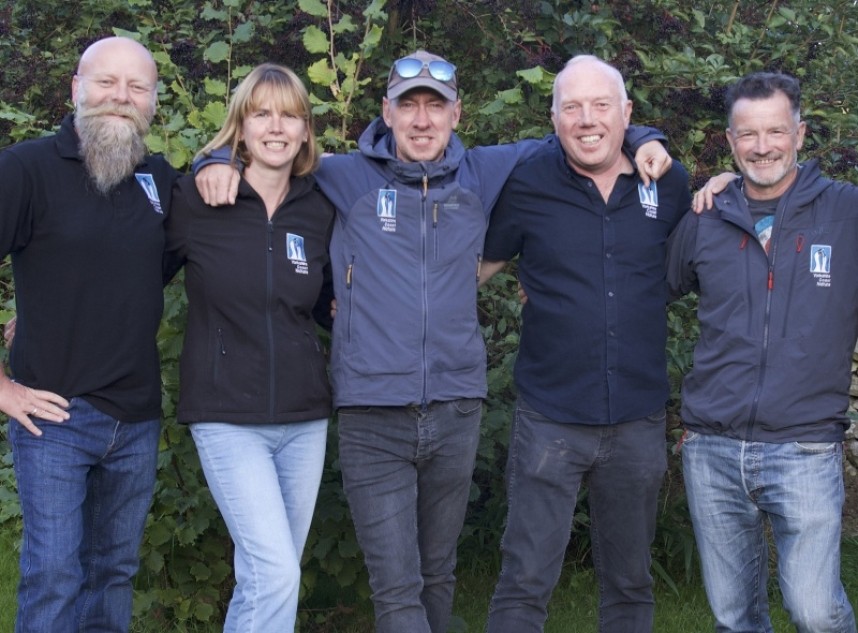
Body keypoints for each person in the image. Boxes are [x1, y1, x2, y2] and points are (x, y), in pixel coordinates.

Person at [194, 50, 673, 633]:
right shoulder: (343, 176)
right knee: (397, 591)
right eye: (409, 106)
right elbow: (272, 152)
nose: (422, 121)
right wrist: (217, 157)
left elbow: (583, 136)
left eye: (435, 107)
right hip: (372, 410)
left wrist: (646, 134)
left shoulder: (487, 172)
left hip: (455, 407)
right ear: (386, 113)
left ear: (456, 114)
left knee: (438, 576)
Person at [479, 55, 691, 633]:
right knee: (524, 583)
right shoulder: (526, 182)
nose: (587, 119)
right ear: (553, 118)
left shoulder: (667, 181)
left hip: (637, 419)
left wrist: (720, 180)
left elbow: (707, 248)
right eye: (572, 106)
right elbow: (478, 267)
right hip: (550, 417)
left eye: (601, 105)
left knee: (629, 584)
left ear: (627, 113)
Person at [666, 71, 857, 633]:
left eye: (776, 131)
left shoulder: (845, 214)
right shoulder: (706, 218)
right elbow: (640, 290)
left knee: (815, 612)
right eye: (748, 135)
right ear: (730, 141)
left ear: (800, 133)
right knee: (734, 617)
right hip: (712, 447)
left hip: (804, 445)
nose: (763, 146)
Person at [0, 37, 176, 632]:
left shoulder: (159, 180)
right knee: (53, 575)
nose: (120, 98)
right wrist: (1, 388)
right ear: (76, 87)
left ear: (153, 101)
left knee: (113, 574)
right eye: (106, 83)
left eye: (136, 87)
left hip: (136, 419)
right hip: (52, 417)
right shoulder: (26, 168)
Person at [163, 63, 335, 632]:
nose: (276, 127)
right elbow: (129, 274)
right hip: (227, 416)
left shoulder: (319, 209)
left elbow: (328, 301)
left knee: (269, 575)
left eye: (290, 115)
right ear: (240, 127)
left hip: (305, 420)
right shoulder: (196, 199)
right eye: (262, 113)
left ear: (307, 132)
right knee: (274, 572)